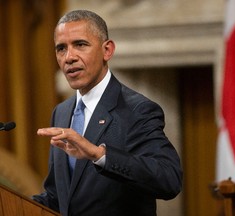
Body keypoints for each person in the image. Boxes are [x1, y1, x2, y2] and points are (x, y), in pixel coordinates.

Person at [32, 9, 182, 216]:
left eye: (80, 45)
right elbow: (59, 195)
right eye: (61, 48)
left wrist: (99, 155)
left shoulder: (137, 110)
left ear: (107, 50)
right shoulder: (62, 112)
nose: (69, 57)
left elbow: (169, 180)